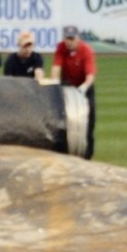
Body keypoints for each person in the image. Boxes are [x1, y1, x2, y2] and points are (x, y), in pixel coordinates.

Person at [51, 25, 97, 160]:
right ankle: (65, 153)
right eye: (67, 38)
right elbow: (56, 68)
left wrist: (83, 88)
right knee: (63, 122)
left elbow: (90, 75)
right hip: (67, 87)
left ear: (78, 38)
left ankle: (87, 157)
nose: (69, 41)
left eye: (72, 38)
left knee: (89, 122)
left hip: (84, 87)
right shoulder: (61, 48)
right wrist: (55, 84)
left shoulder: (86, 50)